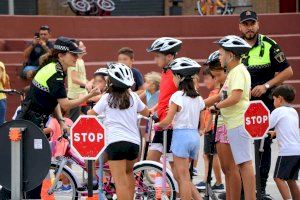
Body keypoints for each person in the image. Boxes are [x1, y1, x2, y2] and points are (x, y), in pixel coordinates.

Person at [0, 36, 100, 199]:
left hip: (34, 120)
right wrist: (89, 95)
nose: (76, 57)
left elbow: (53, 100)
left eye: (77, 54)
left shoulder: (56, 68)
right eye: (73, 54)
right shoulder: (55, 72)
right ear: (61, 55)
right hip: (29, 121)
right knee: (30, 163)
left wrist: (61, 120)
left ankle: (26, 196)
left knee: (33, 162)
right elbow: (66, 104)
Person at [239, 10, 294, 199]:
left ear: (258, 24)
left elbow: (288, 71)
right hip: (242, 106)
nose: (249, 27)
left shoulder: (270, 45)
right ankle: (242, 190)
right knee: (241, 146)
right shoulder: (235, 47)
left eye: (252, 23)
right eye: (245, 24)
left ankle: (260, 190)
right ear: (240, 26)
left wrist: (266, 85)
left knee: (264, 145)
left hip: (265, 106)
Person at [88, 63, 150, 200]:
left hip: (115, 142)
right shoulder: (134, 97)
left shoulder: (107, 98)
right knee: (129, 175)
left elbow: (91, 113)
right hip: (134, 143)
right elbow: (147, 112)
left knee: (120, 181)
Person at [212, 35, 256, 200]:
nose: (219, 57)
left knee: (245, 163)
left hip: (238, 121)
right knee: (243, 163)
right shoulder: (235, 72)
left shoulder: (238, 71)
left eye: (221, 53)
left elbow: (235, 97)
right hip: (234, 122)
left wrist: (217, 106)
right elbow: (227, 96)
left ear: (230, 54)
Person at [156, 57, 203, 200]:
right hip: (194, 137)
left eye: (174, 77)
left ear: (179, 77)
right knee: (183, 175)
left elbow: (168, 121)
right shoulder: (198, 97)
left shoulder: (177, 96)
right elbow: (201, 121)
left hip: (181, 136)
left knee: (183, 178)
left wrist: (158, 124)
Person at [206, 50, 242, 200]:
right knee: (225, 168)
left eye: (218, 75)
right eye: (214, 76)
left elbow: (228, 99)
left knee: (231, 168)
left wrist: (217, 107)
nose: (216, 79)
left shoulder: (235, 77)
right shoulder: (225, 84)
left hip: (229, 123)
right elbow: (218, 97)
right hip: (220, 124)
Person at [145, 37, 182, 164]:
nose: (155, 59)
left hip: (171, 126)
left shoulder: (176, 74)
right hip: (163, 124)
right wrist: (154, 108)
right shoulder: (165, 73)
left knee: (177, 171)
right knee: (150, 161)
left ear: (170, 56)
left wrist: (174, 110)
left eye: (158, 56)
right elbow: (165, 96)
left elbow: (184, 96)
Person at [268, 85, 300, 200]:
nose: (274, 102)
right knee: (291, 179)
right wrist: (275, 133)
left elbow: (266, 125)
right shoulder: (293, 111)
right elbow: (287, 128)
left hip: (287, 152)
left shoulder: (278, 111)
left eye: (274, 99)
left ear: (280, 98)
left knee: (278, 178)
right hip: (297, 150)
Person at [195, 66, 224, 192]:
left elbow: (213, 114)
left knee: (210, 155)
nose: (205, 82)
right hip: (211, 128)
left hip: (212, 128)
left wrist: (206, 128)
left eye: (207, 78)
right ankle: (213, 181)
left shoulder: (216, 94)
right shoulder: (214, 93)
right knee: (209, 155)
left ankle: (213, 181)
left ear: (216, 78)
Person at [67, 40, 89, 122]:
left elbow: (81, 77)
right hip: (75, 96)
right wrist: (86, 84)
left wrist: (89, 83)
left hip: (82, 94)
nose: (85, 47)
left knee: (89, 115)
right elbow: (74, 79)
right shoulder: (74, 62)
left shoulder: (80, 60)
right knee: (74, 119)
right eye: (82, 46)